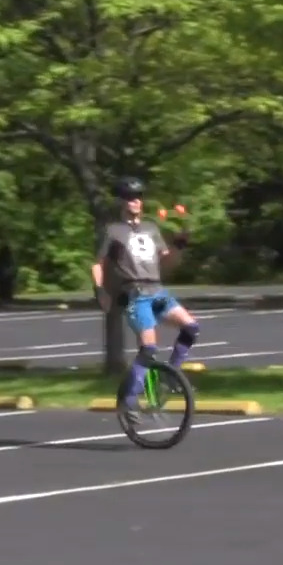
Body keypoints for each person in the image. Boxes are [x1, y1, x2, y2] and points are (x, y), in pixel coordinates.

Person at [90, 176, 200, 420]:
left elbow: (166, 261)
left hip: (157, 290)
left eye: (138, 197)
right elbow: (97, 263)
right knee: (149, 349)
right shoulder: (112, 231)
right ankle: (129, 401)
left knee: (191, 327)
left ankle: (170, 376)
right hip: (134, 294)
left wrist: (179, 247)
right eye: (130, 198)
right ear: (121, 202)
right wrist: (99, 289)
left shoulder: (151, 228)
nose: (135, 201)